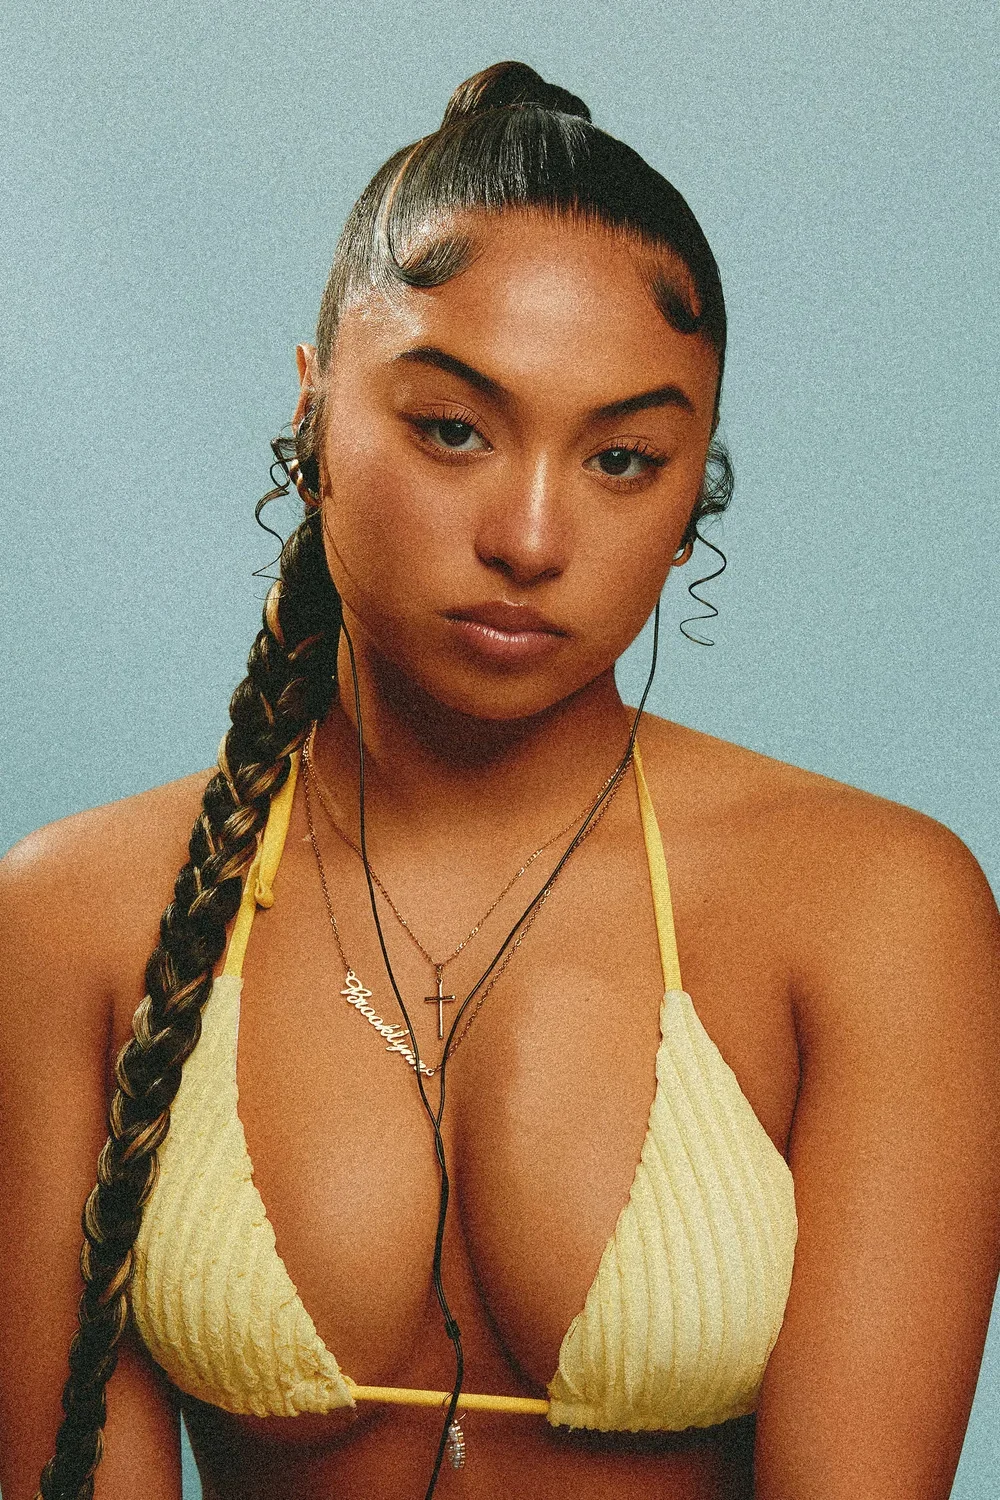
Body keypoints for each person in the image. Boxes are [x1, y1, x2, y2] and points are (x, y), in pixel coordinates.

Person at [1, 59, 998, 1500]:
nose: (532, 536)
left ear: (692, 488)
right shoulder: (77, 918)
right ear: (315, 411)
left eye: (623, 458)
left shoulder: (871, 911)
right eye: (454, 429)